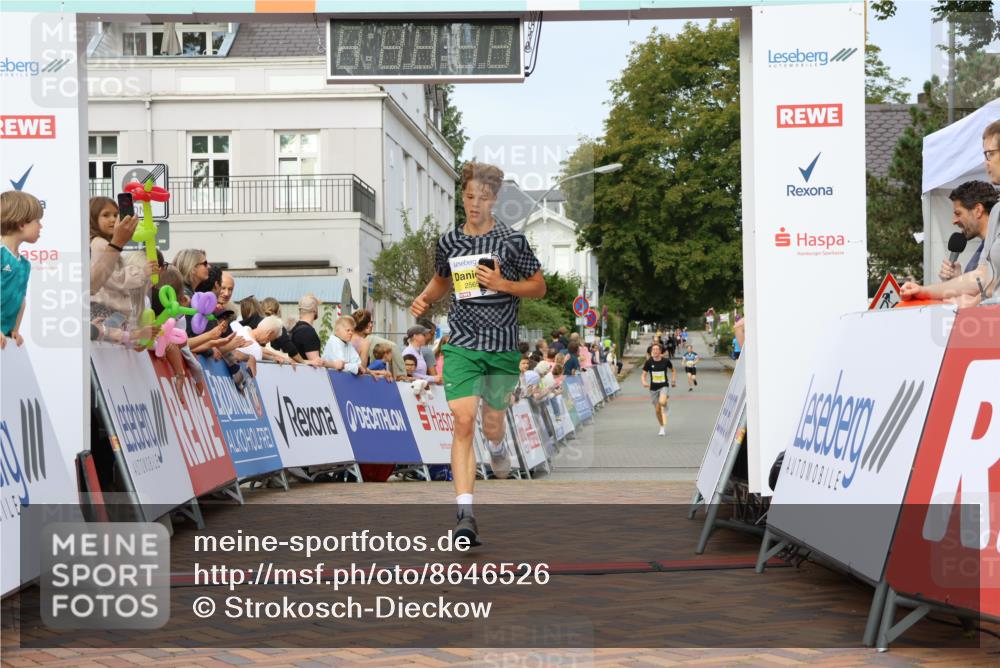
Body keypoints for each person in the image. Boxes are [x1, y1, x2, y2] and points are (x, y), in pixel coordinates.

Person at [409, 160, 545, 546]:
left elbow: (538, 287)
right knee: (463, 420)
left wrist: (504, 283)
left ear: (494, 200)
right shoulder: (450, 242)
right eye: (469, 196)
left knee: (490, 425)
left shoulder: (512, 241)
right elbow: (440, 283)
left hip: (501, 348)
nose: (474, 204)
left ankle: (499, 447)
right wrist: (424, 299)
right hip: (463, 345)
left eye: (482, 198)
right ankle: (465, 514)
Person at [902, 120, 1000, 305]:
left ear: (978, 210)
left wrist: (971, 303)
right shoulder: (997, 212)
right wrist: (924, 291)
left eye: (990, 154)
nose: (985, 163)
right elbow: (984, 276)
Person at [89, 196, 153, 324]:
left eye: (116, 214)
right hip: (107, 310)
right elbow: (112, 278)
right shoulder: (99, 244)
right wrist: (141, 273)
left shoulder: (100, 243)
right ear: (92, 218)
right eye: (105, 215)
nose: (113, 219)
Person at [1, 191, 44, 349]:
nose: (41, 226)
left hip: (5, 339)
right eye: (37, 221)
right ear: (21, 224)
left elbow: (21, 301)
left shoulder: (25, 264)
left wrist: (15, 330)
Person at [937, 181, 998, 281]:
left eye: (958, 213)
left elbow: (990, 292)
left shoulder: (996, 247)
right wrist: (958, 279)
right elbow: (979, 292)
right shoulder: (984, 248)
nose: (954, 221)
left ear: (978, 210)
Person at [641, 342, 676, 436]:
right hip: (653, 388)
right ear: (651, 351)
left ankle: (666, 406)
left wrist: (673, 380)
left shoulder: (665, 361)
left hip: (664, 385)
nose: (655, 351)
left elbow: (673, 370)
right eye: (654, 350)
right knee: (657, 410)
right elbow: (644, 375)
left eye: (657, 349)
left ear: (660, 351)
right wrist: (644, 382)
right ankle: (662, 427)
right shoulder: (649, 362)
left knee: (662, 401)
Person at [260, 297, 302, 361]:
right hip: (274, 365)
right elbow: (290, 348)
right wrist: (303, 361)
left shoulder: (259, 325)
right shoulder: (278, 326)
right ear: (278, 310)